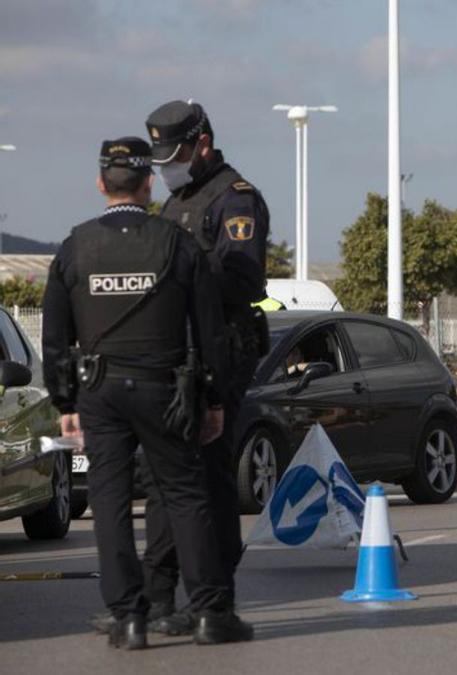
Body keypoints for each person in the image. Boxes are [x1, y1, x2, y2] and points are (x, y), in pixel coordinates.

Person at [42, 138, 253, 648]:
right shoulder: (176, 243)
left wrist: (65, 403)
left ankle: (129, 618)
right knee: (185, 495)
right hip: (166, 388)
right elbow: (208, 332)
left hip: (100, 389)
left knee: (110, 502)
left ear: (100, 184)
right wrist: (215, 399)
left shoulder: (75, 247)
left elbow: (54, 337)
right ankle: (209, 613)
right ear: (148, 182)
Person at [139, 99, 271, 634]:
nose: (166, 168)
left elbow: (242, 278)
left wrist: (182, 277)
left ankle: (214, 598)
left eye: (174, 156)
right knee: (164, 478)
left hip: (222, 350)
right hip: (175, 355)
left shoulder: (235, 199)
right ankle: (161, 596)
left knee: (211, 478)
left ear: (203, 145)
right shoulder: (175, 203)